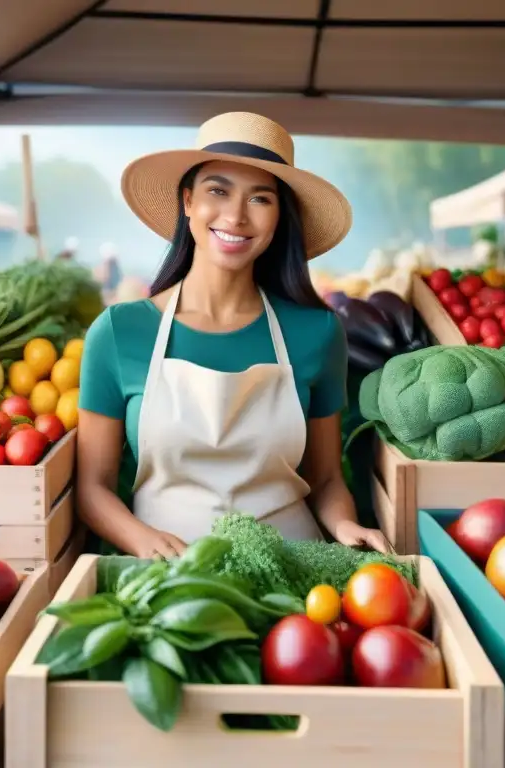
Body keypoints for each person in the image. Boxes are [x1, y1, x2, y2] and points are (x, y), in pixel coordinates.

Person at [77, 111, 390, 559]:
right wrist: (142, 541)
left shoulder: (318, 332)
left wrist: (344, 525)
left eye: (260, 199)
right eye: (218, 191)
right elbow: (93, 487)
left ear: (281, 216)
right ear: (188, 201)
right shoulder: (118, 333)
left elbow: (324, 480)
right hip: (164, 579)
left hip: (293, 571)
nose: (236, 216)